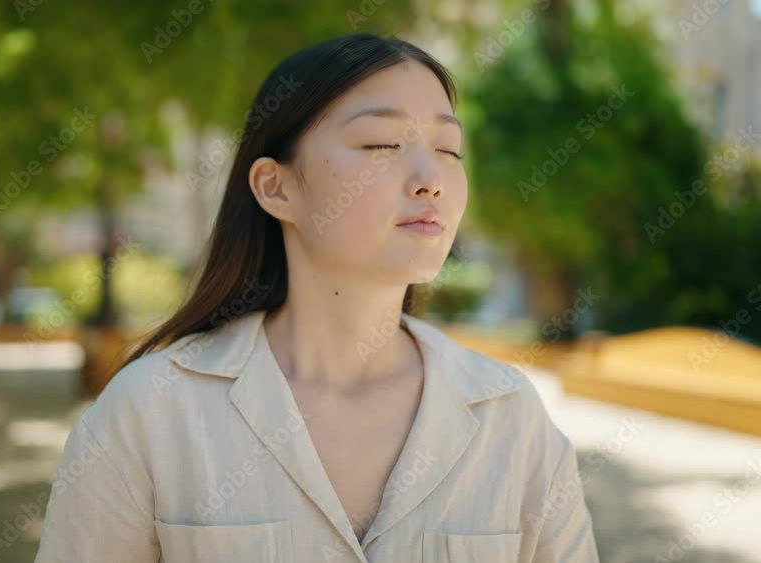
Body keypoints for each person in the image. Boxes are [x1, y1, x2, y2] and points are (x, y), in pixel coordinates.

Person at [34, 32, 599, 563]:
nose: (431, 179)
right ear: (275, 187)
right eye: (382, 142)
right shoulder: (149, 414)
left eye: (449, 149)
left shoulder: (512, 418)